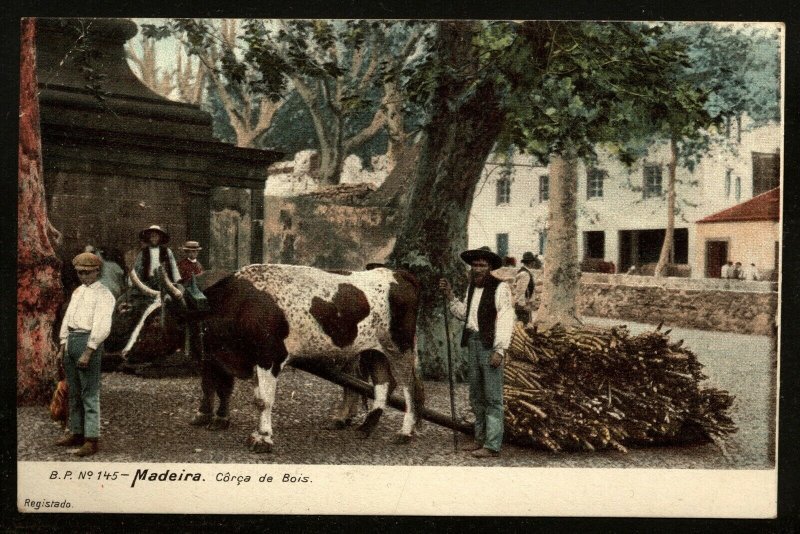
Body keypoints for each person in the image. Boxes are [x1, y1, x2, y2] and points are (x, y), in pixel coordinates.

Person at [439, 246, 514, 458]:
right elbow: (465, 315)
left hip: (489, 345)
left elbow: (506, 318)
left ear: (490, 267)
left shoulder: (501, 288)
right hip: (472, 342)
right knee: (476, 395)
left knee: (492, 397)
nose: (478, 269)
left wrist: (500, 350)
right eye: (474, 265)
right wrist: (450, 296)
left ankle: (492, 445)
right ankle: (479, 439)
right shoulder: (471, 288)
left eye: (482, 265)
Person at [55, 252, 116, 457]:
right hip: (72, 339)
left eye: (87, 273)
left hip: (88, 341)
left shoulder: (104, 294)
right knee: (74, 391)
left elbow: (102, 325)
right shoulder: (78, 292)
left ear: (97, 271)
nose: (83, 276)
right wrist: (63, 344)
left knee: (89, 393)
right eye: (80, 272)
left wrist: (89, 350)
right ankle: (76, 432)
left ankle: (91, 439)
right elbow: (68, 318)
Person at [132, 225, 180, 290]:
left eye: (156, 236)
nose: (154, 239)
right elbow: (137, 268)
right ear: (149, 238)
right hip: (148, 283)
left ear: (160, 238)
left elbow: (173, 267)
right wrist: (132, 282)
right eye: (152, 236)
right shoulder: (143, 253)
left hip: (165, 283)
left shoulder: (167, 251)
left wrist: (177, 281)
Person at [513, 251, 538, 324]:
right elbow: (521, 291)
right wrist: (523, 306)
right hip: (523, 306)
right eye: (533, 261)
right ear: (531, 262)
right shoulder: (525, 274)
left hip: (525, 305)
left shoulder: (526, 272)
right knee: (523, 327)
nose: (534, 263)